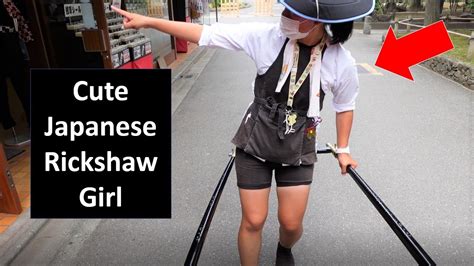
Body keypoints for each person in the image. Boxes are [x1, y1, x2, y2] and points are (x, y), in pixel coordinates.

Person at [112, 0, 374, 265]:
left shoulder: (341, 62)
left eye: (294, 13)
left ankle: (284, 248)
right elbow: (207, 35)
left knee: (291, 224)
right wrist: (149, 21)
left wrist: (343, 150)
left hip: (298, 145)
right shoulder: (267, 38)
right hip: (255, 140)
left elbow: (345, 105)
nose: (285, 16)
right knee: (253, 219)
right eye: (285, 9)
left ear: (318, 22)